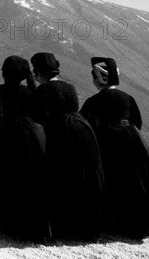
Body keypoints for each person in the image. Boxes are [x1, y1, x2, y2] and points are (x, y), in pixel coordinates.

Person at [80, 57, 149, 238]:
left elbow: (86, 125)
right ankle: (141, 223)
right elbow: (137, 121)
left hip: (108, 142)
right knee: (136, 181)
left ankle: (117, 223)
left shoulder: (93, 102)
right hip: (133, 140)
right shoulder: (127, 98)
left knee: (115, 182)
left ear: (98, 78)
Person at [30, 52, 106, 241]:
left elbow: (38, 117)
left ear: (38, 72)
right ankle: (84, 225)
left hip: (59, 133)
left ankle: (61, 225)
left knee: (59, 177)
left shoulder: (43, 91)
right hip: (82, 129)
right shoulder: (69, 87)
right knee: (81, 176)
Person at [0, 56, 49, 241]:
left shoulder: (0, 91)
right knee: (23, 176)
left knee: (2, 174)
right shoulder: (31, 92)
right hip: (29, 137)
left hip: (7, 136)